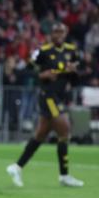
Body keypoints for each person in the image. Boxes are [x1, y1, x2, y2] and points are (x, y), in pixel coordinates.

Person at [6, 22, 84, 187]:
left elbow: (77, 76)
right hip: (48, 96)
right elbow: (27, 70)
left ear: (66, 33)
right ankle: (64, 175)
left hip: (60, 96)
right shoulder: (43, 51)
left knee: (40, 136)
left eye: (61, 32)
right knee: (65, 130)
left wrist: (74, 71)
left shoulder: (72, 50)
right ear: (52, 34)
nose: (59, 35)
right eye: (56, 32)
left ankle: (16, 167)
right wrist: (41, 75)